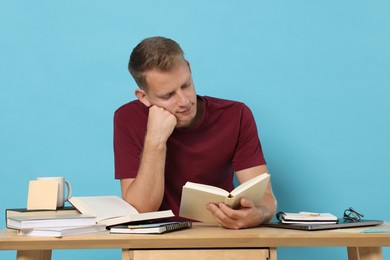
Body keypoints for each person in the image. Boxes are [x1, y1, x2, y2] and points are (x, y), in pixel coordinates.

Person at [114, 36, 277, 229]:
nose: (184, 101)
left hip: (220, 234)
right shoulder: (127, 118)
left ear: (189, 69)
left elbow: (267, 200)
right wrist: (155, 140)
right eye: (168, 95)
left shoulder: (236, 115)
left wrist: (258, 214)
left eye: (186, 85)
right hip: (157, 242)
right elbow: (141, 210)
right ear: (144, 97)